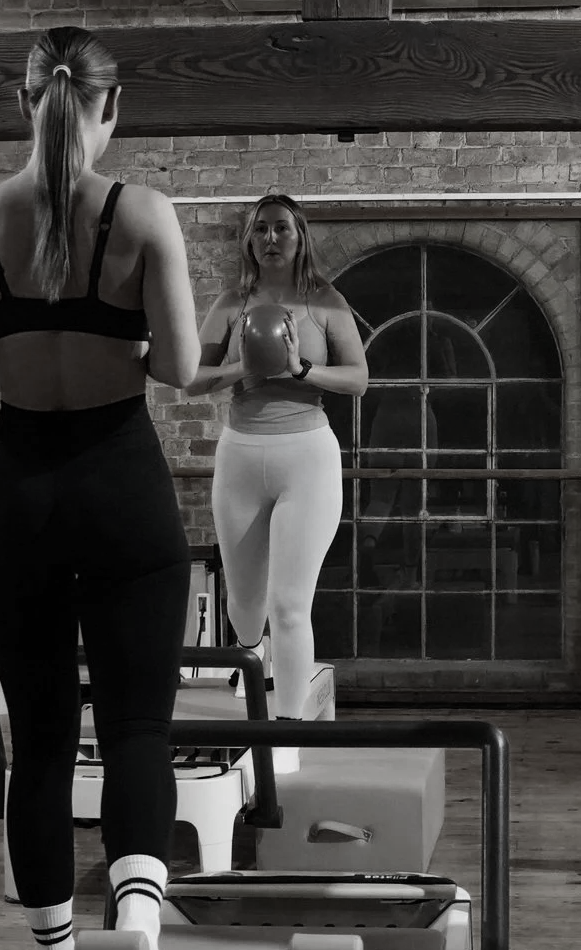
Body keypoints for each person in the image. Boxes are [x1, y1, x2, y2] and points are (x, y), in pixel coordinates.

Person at [0, 26, 201, 950]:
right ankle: (135, 939)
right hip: (119, 483)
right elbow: (175, 364)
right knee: (136, 731)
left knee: (39, 743)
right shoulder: (142, 214)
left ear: (22, 100)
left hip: (20, 493)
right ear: (112, 107)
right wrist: (100, 339)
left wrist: (26, 347)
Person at [188, 196, 368, 756]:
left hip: (306, 455)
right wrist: (249, 366)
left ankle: (286, 737)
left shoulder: (325, 302)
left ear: (299, 236)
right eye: (261, 229)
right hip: (241, 455)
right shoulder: (230, 302)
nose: (271, 238)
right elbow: (190, 379)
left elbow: (359, 378)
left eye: (281, 229)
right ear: (249, 240)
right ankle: (254, 668)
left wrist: (299, 369)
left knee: (290, 605)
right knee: (244, 604)